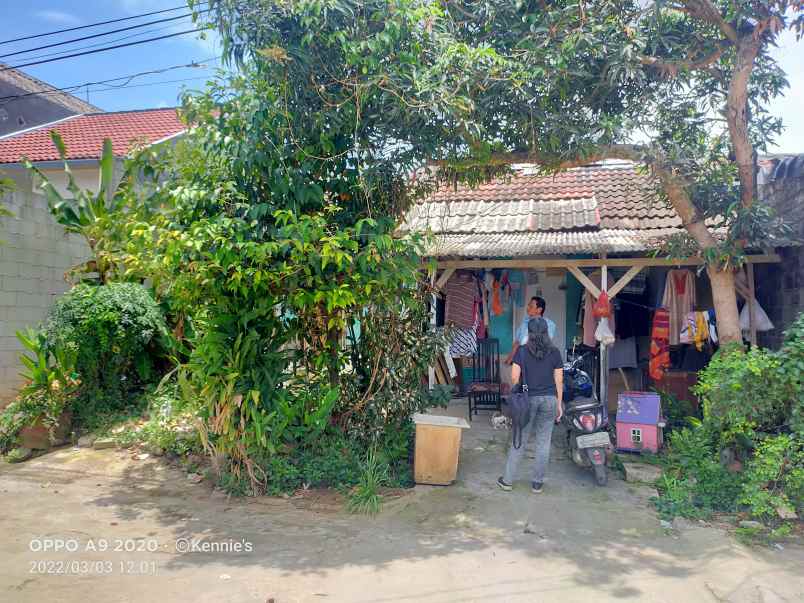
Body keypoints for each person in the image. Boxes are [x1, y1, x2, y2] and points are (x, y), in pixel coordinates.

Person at [497, 317, 564, 493]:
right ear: (546, 332)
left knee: (520, 439)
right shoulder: (555, 352)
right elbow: (559, 379)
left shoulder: (522, 352)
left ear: (529, 332)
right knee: (543, 442)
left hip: (527, 400)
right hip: (549, 399)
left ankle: (507, 481)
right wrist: (559, 403)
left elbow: (514, 377)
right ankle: (537, 483)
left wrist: (519, 385)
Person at [505, 296, 556, 365]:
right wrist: (510, 358)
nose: (528, 308)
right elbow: (517, 342)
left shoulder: (549, 324)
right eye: (528, 305)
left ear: (539, 310)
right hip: (521, 361)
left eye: (531, 306)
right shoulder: (524, 323)